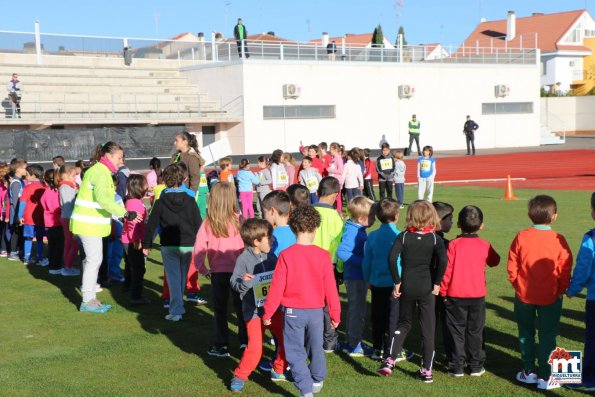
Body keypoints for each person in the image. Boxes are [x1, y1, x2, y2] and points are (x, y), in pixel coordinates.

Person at [262, 205, 341, 397]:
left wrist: (268, 312)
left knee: (294, 351)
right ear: (315, 229)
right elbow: (331, 288)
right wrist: (335, 314)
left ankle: (306, 389)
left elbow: (276, 288)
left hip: (292, 313)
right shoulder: (323, 256)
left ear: (292, 228)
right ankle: (317, 378)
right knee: (316, 346)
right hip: (315, 312)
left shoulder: (285, 256)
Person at [508, 195, 573, 390]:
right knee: (547, 335)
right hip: (550, 296)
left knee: (525, 332)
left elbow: (512, 265)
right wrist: (562, 289)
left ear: (530, 214)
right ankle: (545, 375)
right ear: (554, 217)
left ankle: (529, 371)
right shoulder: (558, 239)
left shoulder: (521, 236)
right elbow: (565, 268)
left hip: (524, 295)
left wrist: (517, 284)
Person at [379, 200, 447, 383]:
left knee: (404, 323)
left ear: (410, 216)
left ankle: (390, 360)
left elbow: (392, 258)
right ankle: (427, 371)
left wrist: (397, 282)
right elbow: (443, 260)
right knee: (428, 329)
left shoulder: (403, 237)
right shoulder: (435, 239)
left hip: (407, 285)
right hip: (426, 287)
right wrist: (437, 283)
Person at [71, 142, 142, 313]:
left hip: (90, 225)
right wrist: (125, 214)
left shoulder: (101, 171)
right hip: (88, 225)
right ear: (109, 156)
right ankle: (88, 301)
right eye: (119, 157)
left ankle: (90, 299)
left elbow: (104, 200)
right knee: (93, 261)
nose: (121, 161)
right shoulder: (101, 173)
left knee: (93, 261)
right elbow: (104, 199)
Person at [440, 205, 500, 377]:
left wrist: (443, 292)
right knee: (476, 331)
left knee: (456, 331)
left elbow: (447, 271)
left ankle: (457, 366)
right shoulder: (484, 245)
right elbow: (495, 261)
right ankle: (475, 365)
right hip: (477, 295)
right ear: (481, 225)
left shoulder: (453, 245)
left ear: (458, 224)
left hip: (455, 295)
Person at [229, 219, 289, 392]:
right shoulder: (244, 258)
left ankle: (279, 369)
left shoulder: (272, 256)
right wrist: (244, 282)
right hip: (254, 312)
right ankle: (240, 375)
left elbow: (280, 277)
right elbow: (234, 281)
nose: (271, 241)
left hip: (274, 309)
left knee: (287, 339)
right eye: (268, 238)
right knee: (255, 348)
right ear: (256, 241)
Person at [194, 182, 248, 357]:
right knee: (241, 309)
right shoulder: (236, 220)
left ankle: (222, 344)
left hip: (222, 273)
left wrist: (202, 268)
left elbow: (199, 248)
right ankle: (244, 341)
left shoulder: (215, 222)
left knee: (220, 310)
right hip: (235, 272)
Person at [143, 163, 202, 319]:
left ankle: (176, 310)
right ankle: (177, 307)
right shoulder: (189, 200)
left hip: (170, 245)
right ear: (183, 178)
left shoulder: (161, 201)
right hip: (186, 244)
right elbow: (198, 224)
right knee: (179, 276)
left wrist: (147, 244)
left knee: (175, 277)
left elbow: (151, 224)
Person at [363, 198, 404, 360]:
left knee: (377, 316)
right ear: (397, 215)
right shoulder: (400, 236)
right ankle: (392, 350)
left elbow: (367, 261)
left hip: (376, 282)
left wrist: (367, 279)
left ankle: (377, 348)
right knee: (393, 317)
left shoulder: (372, 236)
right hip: (396, 283)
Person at [337, 196, 375, 356]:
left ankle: (351, 341)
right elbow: (343, 252)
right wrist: (364, 262)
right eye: (371, 216)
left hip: (358, 276)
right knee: (357, 311)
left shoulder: (357, 229)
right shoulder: (353, 231)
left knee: (356, 310)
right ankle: (353, 344)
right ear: (361, 218)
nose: (374, 219)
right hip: (355, 277)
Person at [566, 192, 595, 391]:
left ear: (593, 213)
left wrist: (572, 289)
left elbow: (583, 269)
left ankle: (591, 380)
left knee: (593, 339)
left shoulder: (590, 237)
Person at [313, 176, 344, 352]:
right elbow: (339, 247)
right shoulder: (336, 218)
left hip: (307, 265)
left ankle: (312, 337)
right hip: (328, 268)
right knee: (329, 305)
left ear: (318, 192)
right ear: (335, 195)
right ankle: (330, 341)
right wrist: (340, 270)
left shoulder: (308, 213)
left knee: (310, 303)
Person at [122, 174, 149, 305]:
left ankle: (127, 286)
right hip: (132, 240)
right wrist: (137, 240)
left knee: (129, 264)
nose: (147, 186)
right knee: (138, 268)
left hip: (128, 239)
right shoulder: (135, 203)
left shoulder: (130, 201)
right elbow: (134, 224)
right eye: (145, 184)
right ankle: (136, 296)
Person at [432, 201, 454, 362]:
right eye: (449, 219)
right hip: (440, 288)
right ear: (439, 221)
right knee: (446, 323)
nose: (452, 223)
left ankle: (429, 351)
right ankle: (450, 354)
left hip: (426, 287)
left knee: (429, 321)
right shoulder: (445, 244)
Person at [19, 164, 48, 266]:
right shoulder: (45, 187)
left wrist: (19, 216)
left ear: (33, 175)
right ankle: (39, 257)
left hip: (28, 218)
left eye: (27, 174)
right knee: (39, 238)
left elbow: (22, 203)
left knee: (28, 237)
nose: (25, 176)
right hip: (41, 217)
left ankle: (27, 258)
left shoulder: (27, 188)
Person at [57, 165, 80, 276]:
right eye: (73, 175)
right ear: (65, 175)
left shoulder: (67, 186)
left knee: (69, 243)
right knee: (73, 244)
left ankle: (67, 266)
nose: (75, 177)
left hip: (67, 217)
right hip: (69, 218)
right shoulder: (65, 187)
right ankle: (68, 267)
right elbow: (68, 205)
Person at [40, 169, 64, 275]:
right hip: (57, 222)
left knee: (52, 244)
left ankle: (52, 264)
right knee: (59, 245)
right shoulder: (57, 192)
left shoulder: (46, 191)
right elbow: (58, 207)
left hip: (49, 222)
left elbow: (43, 204)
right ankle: (56, 266)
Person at [261, 190, 296, 257]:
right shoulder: (298, 230)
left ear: (272, 211)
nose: (264, 216)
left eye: (265, 212)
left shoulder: (271, 236)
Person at [7, 158, 27, 261]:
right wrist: (19, 215)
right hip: (16, 213)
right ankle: (13, 253)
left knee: (19, 232)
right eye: (24, 168)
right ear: (18, 169)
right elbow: (15, 201)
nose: (26, 170)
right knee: (15, 232)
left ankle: (19, 251)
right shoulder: (15, 183)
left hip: (20, 212)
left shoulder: (20, 181)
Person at [326, 143, 344, 213]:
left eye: (331, 149)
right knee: (332, 196)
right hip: (332, 180)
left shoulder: (338, 159)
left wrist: (330, 170)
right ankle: (334, 210)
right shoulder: (333, 159)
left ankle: (339, 211)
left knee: (338, 197)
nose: (329, 151)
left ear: (335, 150)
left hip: (337, 181)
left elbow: (340, 171)